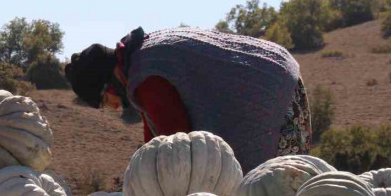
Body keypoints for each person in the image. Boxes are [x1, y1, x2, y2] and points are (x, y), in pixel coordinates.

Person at [64, 26, 311, 171]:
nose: (114, 107)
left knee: (269, 194)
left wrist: (152, 183)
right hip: (280, 76)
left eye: (106, 101)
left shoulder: (146, 80)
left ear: (110, 83)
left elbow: (178, 143)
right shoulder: (141, 58)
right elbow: (154, 136)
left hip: (272, 101)